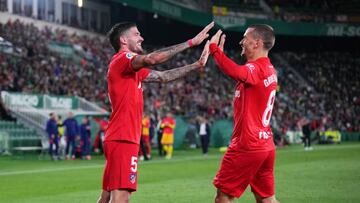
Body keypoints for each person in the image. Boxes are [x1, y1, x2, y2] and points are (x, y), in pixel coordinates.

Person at [97, 21, 213, 203]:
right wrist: (191, 43)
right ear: (123, 40)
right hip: (123, 137)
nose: (141, 37)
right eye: (136, 34)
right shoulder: (123, 59)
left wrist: (196, 65)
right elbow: (152, 59)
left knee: (106, 197)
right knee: (121, 198)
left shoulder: (131, 69)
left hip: (120, 136)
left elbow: (163, 77)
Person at [208, 25, 279, 203]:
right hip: (265, 144)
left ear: (257, 43)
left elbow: (236, 72)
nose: (241, 41)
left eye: (245, 38)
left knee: (223, 197)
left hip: (247, 144)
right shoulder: (269, 69)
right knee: (267, 199)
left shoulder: (257, 68)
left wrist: (215, 51)